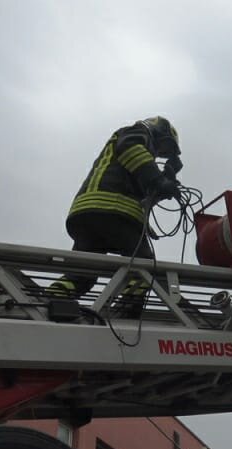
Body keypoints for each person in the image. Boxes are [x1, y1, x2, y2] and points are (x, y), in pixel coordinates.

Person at [49, 117, 183, 307]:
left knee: (82, 274)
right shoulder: (136, 133)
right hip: (114, 212)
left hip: (87, 214)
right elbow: (131, 150)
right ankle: (127, 308)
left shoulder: (134, 164)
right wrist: (158, 180)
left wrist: (167, 177)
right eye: (163, 147)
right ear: (158, 131)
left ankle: (48, 298)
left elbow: (145, 195)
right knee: (144, 266)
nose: (160, 153)